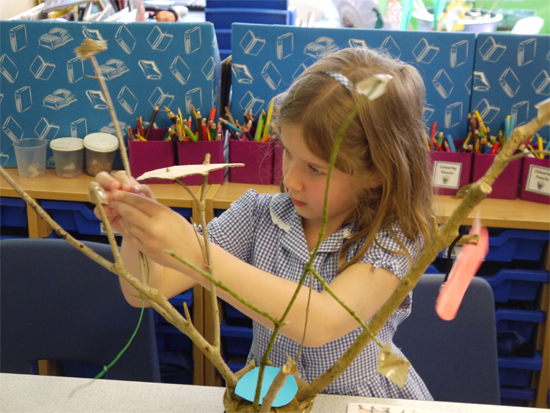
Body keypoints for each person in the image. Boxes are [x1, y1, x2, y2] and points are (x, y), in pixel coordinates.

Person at [93, 47, 434, 400]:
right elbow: (145, 291)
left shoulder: (392, 239)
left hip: (361, 401)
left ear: (375, 173)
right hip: (271, 397)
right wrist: (137, 232)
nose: (290, 179)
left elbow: (319, 322)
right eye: (287, 152)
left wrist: (192, 252)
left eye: (315, 169)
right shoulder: (260, 216)